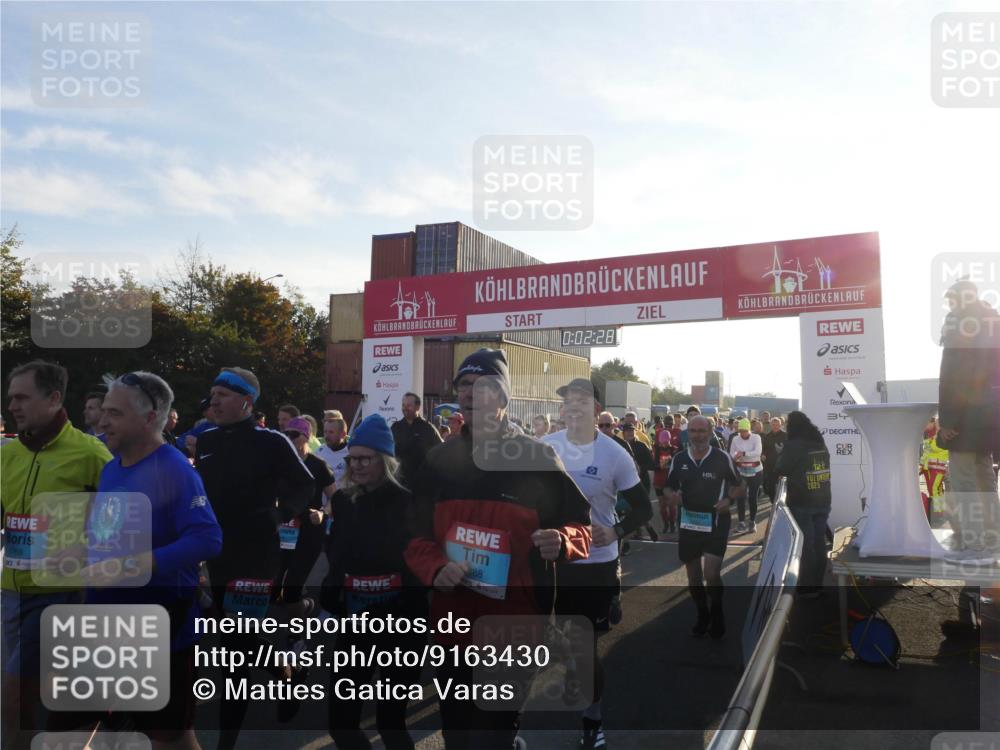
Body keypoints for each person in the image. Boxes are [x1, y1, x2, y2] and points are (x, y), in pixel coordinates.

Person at [404, 349, 592, 750]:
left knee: (488, 737)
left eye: (482, 385)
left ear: (503, 399)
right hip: (452, 627)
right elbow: (413, 536)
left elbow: (583, 528)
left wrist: (562, 541)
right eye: (463, 386)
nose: (470, 394)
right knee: (456, 735)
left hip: (514, 629)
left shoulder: (537, 456)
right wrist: (435, 567)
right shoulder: (438, 460)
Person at [86, 371, 223, 749]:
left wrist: (133, 565)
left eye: (114, 413)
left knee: (171, 738)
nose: (101, 421)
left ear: (149, 418)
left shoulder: (173, 468)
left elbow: (207, 538)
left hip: (161, 625)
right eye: (104, 412)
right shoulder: (112, 467)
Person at [194, 367, 315, 749]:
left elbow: (304, 484)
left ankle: (226, 742)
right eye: (212, 393)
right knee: (237, 640)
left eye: (223, 395)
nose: (213, 400)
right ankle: (285, 674)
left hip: (257, 558)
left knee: (237, 651)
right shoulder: (206, 439)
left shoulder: (272, 442)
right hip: (218, 555)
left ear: (246, 401)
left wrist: (280, 516)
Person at [2, 361, 113, 746]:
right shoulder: (9, 453)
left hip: (61, 593)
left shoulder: (90, 453)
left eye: (22, 397)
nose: (12, 405)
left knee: (14, 693)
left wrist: (83, 544)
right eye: (10, 396)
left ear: (53, 398)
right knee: (23, 698)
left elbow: (126, 518)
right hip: (10, 592)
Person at [322, 414, 427, 749]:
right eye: (352, 459)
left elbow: (419, 560)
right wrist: (332, 592)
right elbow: (337, 553)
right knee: (341, 724)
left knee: (391, 723)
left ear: (385, 460)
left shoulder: (409, 501)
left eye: (366, 458)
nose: (357, 465)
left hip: (402, 625)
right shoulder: (343, 501)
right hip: (354, 626)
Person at [664, 416, 745, 639]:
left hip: (716, 524)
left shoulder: (721, 458)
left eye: (701, 431)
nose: (697, 435)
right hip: (689, 524)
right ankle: (702, 614)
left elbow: (740, 485)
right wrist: (673, 497)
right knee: (693, 577)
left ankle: (717, 612)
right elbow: (668, 488)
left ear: (710, 433)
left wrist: (728, 500)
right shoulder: (679, 459)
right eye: (693, 431)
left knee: (711, 573)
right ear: (687, 433)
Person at [937, 279, 1000, 555]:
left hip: (965, 418)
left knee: (964, 481)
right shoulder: (992, 321)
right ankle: (993, 536)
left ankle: (974, 541)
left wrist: (948, 420)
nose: (949, 305)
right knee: (985, 477)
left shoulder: (959, 323)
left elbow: (953, 376)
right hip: (990, 416)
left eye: (951, 300)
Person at [275, 417, 335, 617]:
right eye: (286, 434)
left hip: (310, 530)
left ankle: (298, 632)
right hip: (284, 531)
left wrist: (322, 512)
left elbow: (334, 498)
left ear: (306, 437)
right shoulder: (281, 464)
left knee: (292, 588)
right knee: (273, 588)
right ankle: (298, 609)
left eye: (293, 434)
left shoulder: (318, 465)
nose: (288, 438)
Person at [776, 411, 832, 598]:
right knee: (819, 543)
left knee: (807, 545)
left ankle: (807, 588)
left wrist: (780, 454)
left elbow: (781, 468)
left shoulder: (793, 446)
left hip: (802, 500)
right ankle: (817, 584)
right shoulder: (819, 443)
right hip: (823, 498)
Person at [390, 392, 442, 488]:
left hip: (422, 484)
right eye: (403, 405)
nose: (405, 408)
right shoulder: (396, 427)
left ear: (417, 407)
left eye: (409, 405)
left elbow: (440, 451)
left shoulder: (428, 428)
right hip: (400, 482)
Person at [620, 422, 659, 542]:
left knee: (639, 507)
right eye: (627, 431)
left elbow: (652, 464)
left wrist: (640, 468)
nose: (630, 433)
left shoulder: (641, 446)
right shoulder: (620, 446)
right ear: (623, 433)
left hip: (641, 482)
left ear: (635, 432)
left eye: (632, 430)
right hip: (626, 482)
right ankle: (646, 528)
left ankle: (636, 532)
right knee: (629, 507)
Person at [729, 419, 764, 534]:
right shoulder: (735, 438)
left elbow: (757, 452)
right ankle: (741, 523)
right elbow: (731, 453)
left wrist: (743, 453)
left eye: (745, 431)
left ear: (749, 429)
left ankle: (752, 522)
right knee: (740, 497)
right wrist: (735, 456)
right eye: (741, 431)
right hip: (741, 470)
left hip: (755, 470)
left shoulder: (756, 438)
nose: (743, 433)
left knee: (752, 497)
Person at [316, 414, 350, 488]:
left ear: (343, 434)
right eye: (325, 432)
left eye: (331, 432)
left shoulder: (351, 453)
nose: (326, 436)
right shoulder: (319, 451)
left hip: (342, 497)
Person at [761, 417, 787, 501]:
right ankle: (773, 502)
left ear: (780, 425)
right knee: (770, 487)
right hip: (770, 465)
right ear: (771, 425)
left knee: (782, 487)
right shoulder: (767, 436)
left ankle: (780, 503)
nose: (775, 426)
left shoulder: (785, 436)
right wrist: (763, 455)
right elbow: (763, 449)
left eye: (777, 425)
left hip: (782, 466)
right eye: (773, 425)